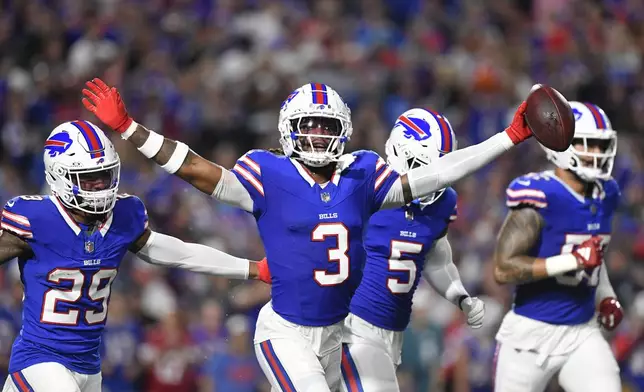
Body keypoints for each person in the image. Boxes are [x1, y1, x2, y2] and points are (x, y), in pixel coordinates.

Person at [82, 78, 536, 391]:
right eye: (309, 127)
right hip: (285, 333)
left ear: (344, 131)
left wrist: (509, 137)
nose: (318, 136)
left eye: (327, 127)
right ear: (289, 129)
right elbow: (200, 170)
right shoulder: (269, 173)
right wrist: (128, 129)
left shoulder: (363, 176)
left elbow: (438, 175)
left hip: (339, 336)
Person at [0, 121, 269, 392]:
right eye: (89, 179)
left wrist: (252, 268)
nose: (100, 187)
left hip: (88, 364)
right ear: (59, 176)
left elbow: (180, 253)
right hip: (39, 358)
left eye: (104, 176)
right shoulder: (35, 219)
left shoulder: (124, 215)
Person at [339, 108, 485, 392]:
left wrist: (460, 296)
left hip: (392, 331)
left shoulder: (443, 202)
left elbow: (437, 259)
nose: (434, 179)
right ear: (399, 151)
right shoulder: (365, 184)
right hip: (351, 323)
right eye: (424, 166)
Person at [492, 101, 624, 392]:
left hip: (582, 331)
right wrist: (571, 261)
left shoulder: (607, 193)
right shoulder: (539, 194)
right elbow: (503, 269)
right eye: (588, 145)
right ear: (560, 146)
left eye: (601, 146)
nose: (597, 154)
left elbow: (594, 260)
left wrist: (605, 296)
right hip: (529, 336)